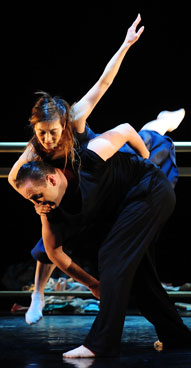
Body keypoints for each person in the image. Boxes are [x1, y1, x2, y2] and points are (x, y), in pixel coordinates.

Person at [7, 14, 185, 325]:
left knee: (150, 138)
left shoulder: (74, 118)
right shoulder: (37, 147)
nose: (48, 139)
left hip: (99, 171)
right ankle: (38, 293)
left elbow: (103, 82)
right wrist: (37, 203)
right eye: (41, 133)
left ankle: (165, 120)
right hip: (67, 189)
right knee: (48, 238)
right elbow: (14, 178)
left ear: (62, 124)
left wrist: (126, 44)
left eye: (53, 132)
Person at [15, 120, 191, 358]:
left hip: (150, 189)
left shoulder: (88, 159)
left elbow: (125, 129)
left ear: (52, 180)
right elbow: (53, 251)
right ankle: (177, 337)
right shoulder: (50, 207)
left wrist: (145, 157)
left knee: (113, 255)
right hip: (128, 205)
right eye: (32, 201)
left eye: (38, 197)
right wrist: (92, 284)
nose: (38, 205)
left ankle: (101, 343)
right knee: (141, 278)